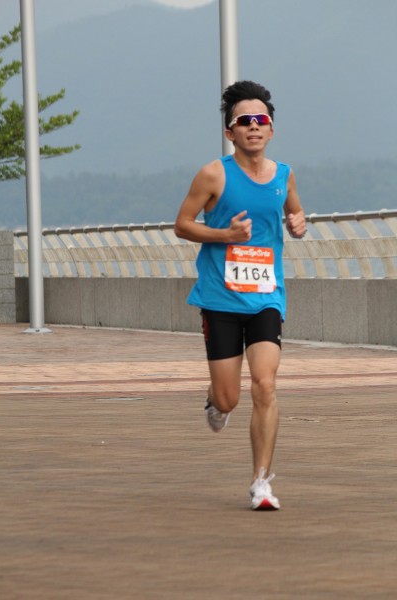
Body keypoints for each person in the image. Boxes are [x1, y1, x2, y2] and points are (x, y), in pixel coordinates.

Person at [174, 80, 306, 510]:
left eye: (260, 119)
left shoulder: (283, 175)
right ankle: (215, 401)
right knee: (229, 397)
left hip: (267, 296)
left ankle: (261, 482)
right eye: (244, 120)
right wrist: (225, 235)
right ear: (230, 132)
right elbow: (182, 225)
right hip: (220, 299)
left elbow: (295, 211)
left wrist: (299, 223)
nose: (253, 126)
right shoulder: (214, 174)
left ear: (271, 130)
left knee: (265, 385)